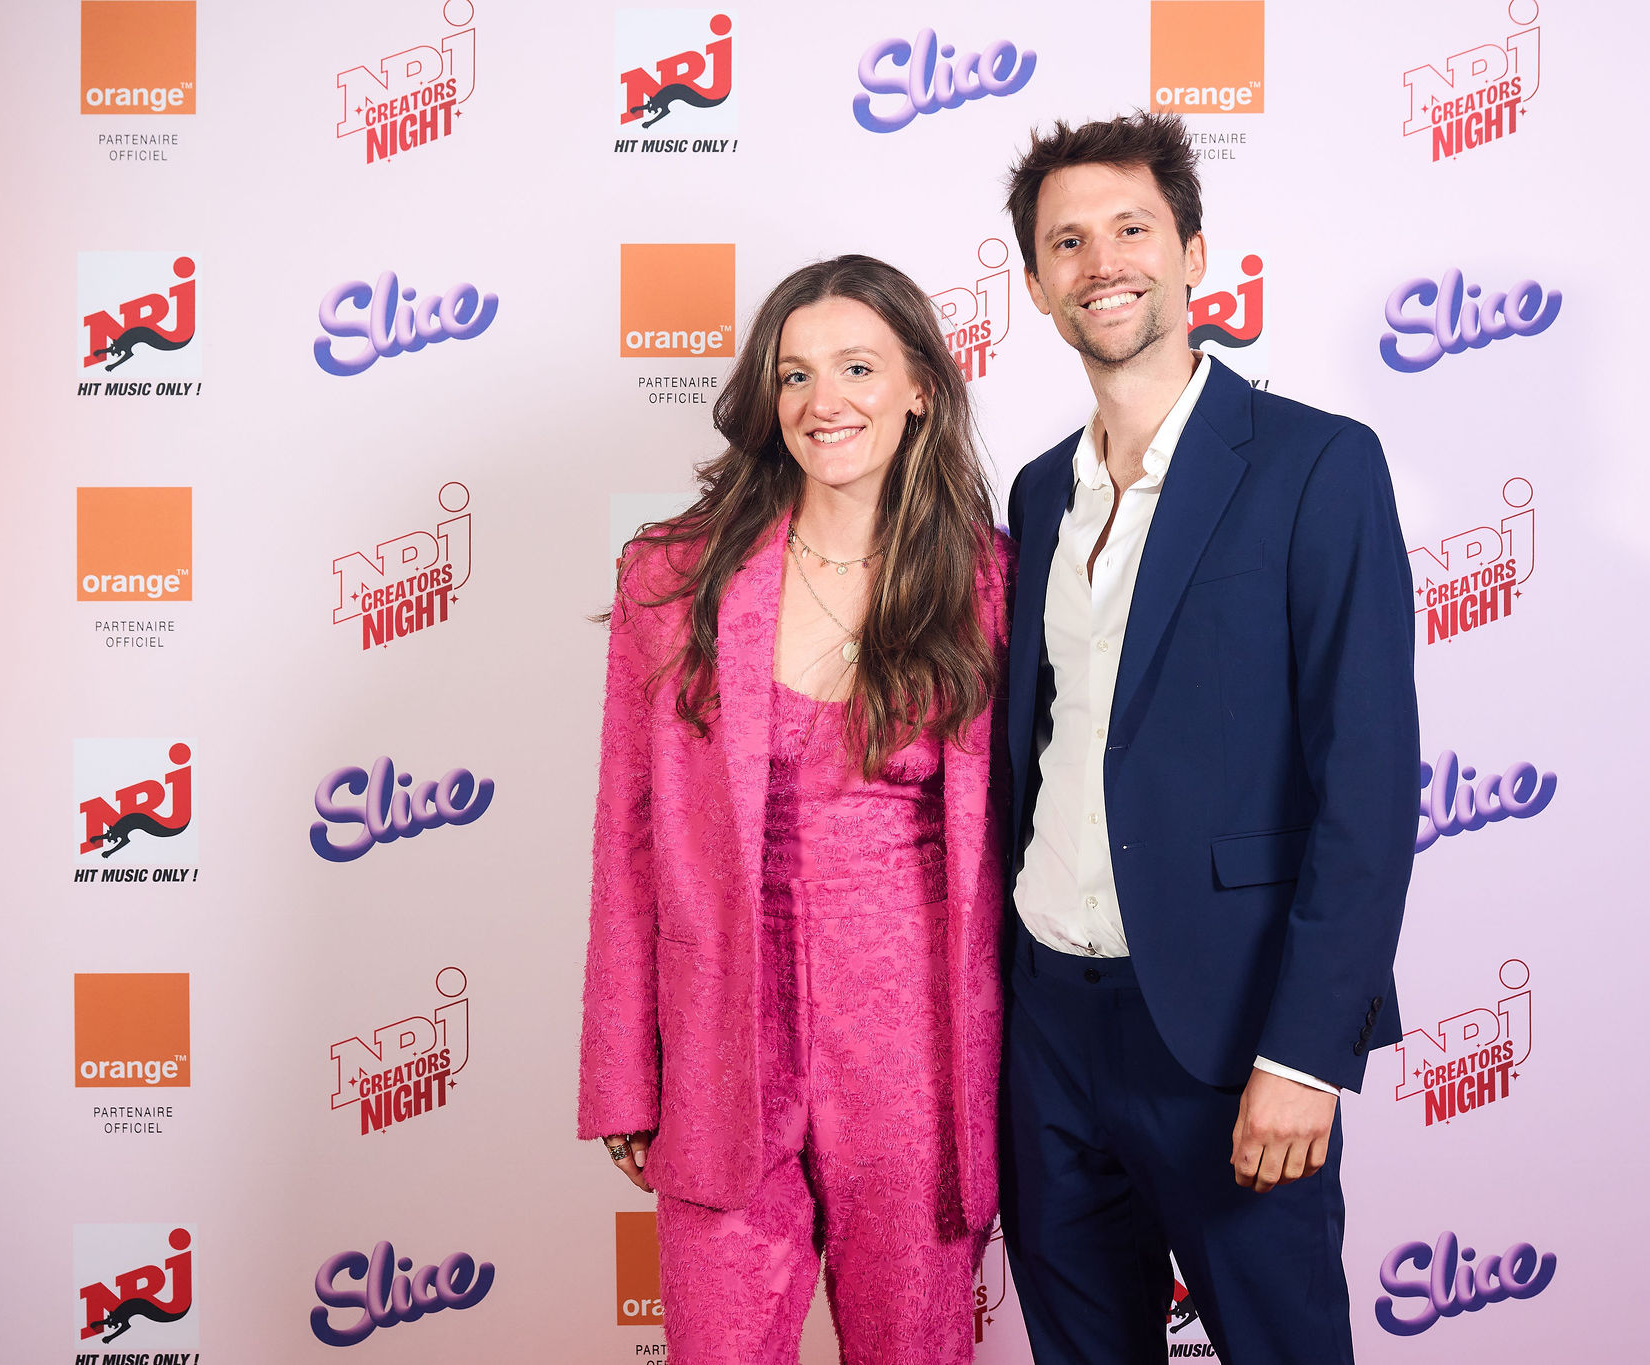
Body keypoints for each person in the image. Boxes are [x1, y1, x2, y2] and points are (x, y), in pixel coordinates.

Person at [997, 113, 1420, 1363]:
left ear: (1190, 253)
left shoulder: (1317, 466)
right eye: (1065, 242)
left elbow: (1366, 785)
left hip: (1228, 1029)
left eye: (1130, 229)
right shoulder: (1034, 492)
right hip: (1044, 1021)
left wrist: (1305, 1054)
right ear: (1035, 287)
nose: (1100, 262)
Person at [577, 255, 1012, 1364]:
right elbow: (629, 839)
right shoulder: (671, 578)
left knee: (915, 1346)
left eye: (858, 367)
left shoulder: (990, 581)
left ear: (920, 388)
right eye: (795, 373)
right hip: (721, 1034)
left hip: (918, 1036)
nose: (826, 400)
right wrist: (626, 1074)